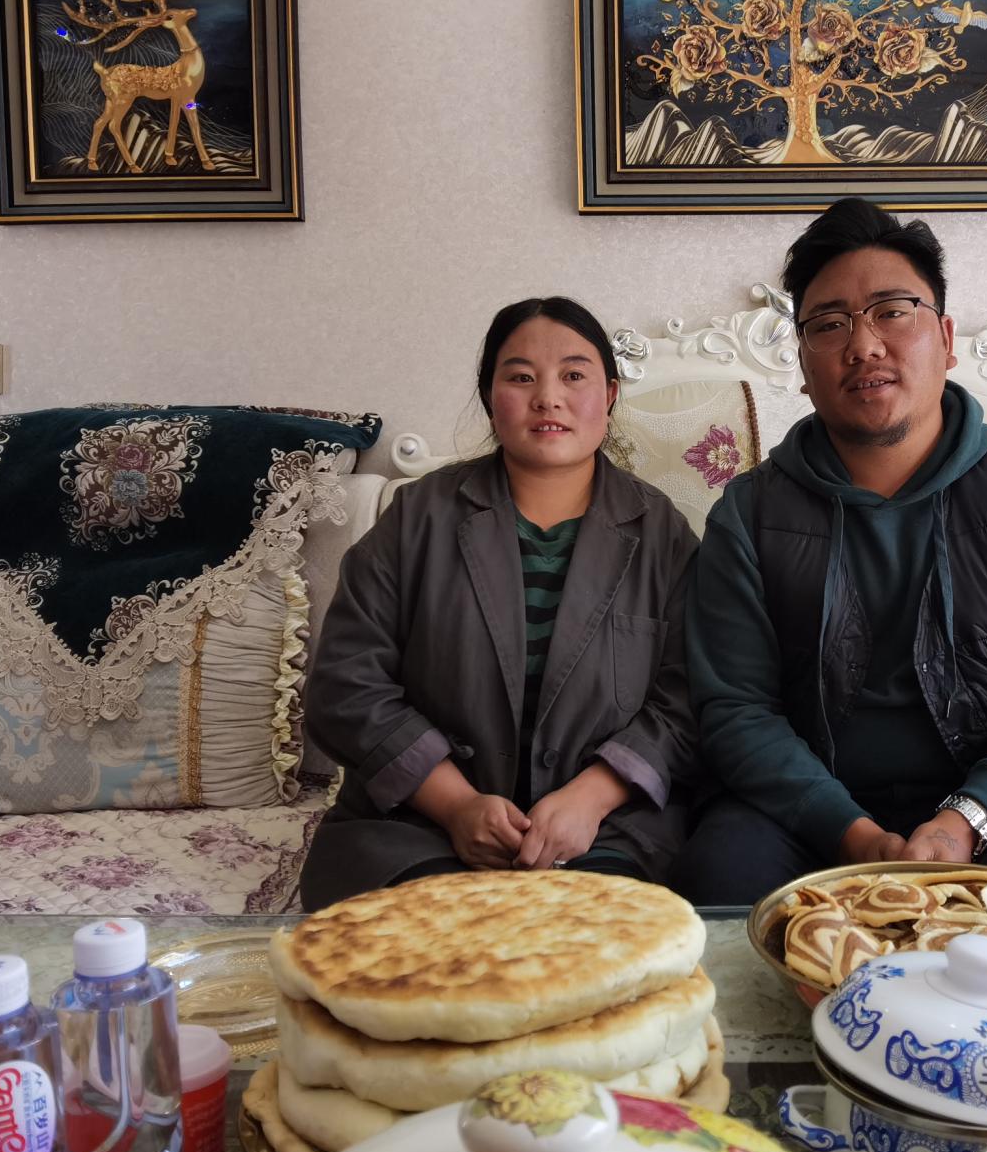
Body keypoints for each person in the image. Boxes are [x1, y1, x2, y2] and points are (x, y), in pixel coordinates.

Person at [670, 198, 987, 907]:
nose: (864, 345)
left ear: (945, 338)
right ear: (802, 363)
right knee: (721, 886)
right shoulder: (749, 515)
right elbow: (735, 710)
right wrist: (850, 833)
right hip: (805, 807)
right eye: (829, 324)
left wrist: (963, 822)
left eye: (892, 311)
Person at [297, 297, 698, 909]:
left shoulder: (664, 535)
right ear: (490, 396)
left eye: (574, 375)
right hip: (418, 826)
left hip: (607, 828)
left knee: (604, 939)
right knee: (427, 948)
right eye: (521, 377)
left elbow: (688, 699)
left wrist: (591, 798)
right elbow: (346, 685)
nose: (548, 398)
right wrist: (456, 805)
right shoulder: (416, 518)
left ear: (610, 395)